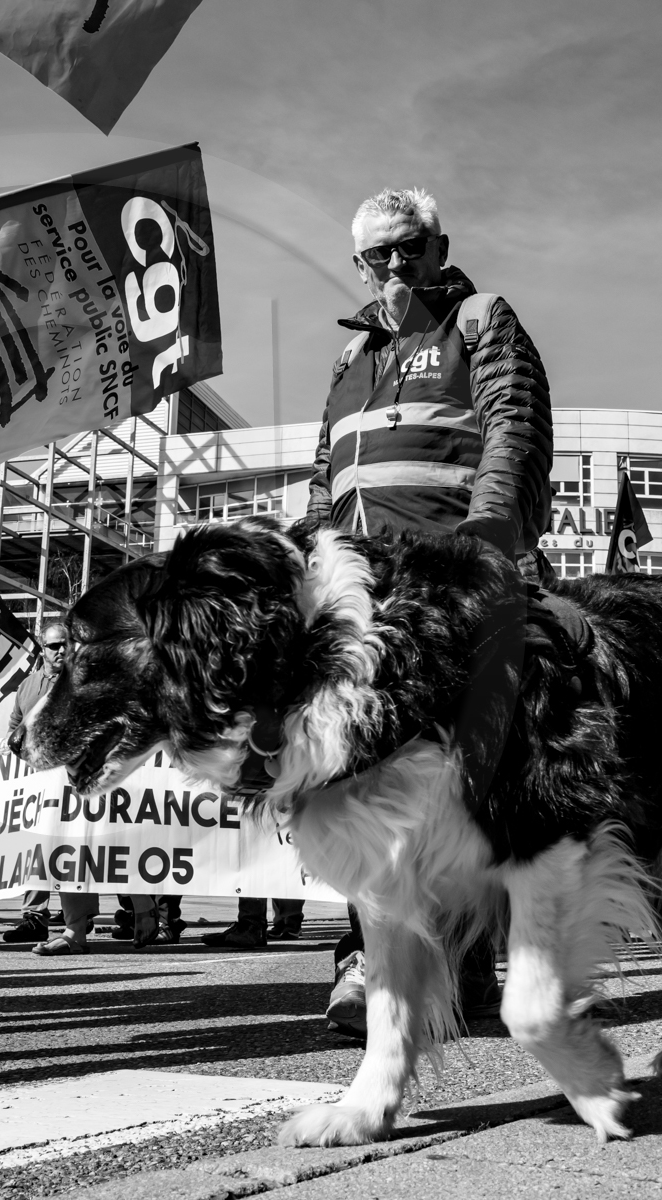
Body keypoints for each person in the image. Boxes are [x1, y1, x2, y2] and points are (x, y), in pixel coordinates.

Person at [306, 186, 551, 1037]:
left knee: (466, 776)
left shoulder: (481, 322)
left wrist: (487, 535)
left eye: (409, 247)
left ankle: (465, 958)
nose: (395, 266)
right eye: (377, 255)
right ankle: (371, 963)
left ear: (440, 243)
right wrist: (314, 563)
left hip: (454, 588)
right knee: (364, 774)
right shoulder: (350, 363)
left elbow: (511, 426)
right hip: (368, 604)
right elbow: (322, 479)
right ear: (360, 265)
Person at [1, 623, 67, 943]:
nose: (62, 650)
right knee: (37, 847)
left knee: (80, 847)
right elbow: (14, 729)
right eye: (54, 646)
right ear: (42, 649)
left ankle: (77, 914)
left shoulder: (84, 680)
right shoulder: (27, 686)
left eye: (66, 644)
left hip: (73, 780)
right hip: (38, 783)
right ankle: (35, 916)